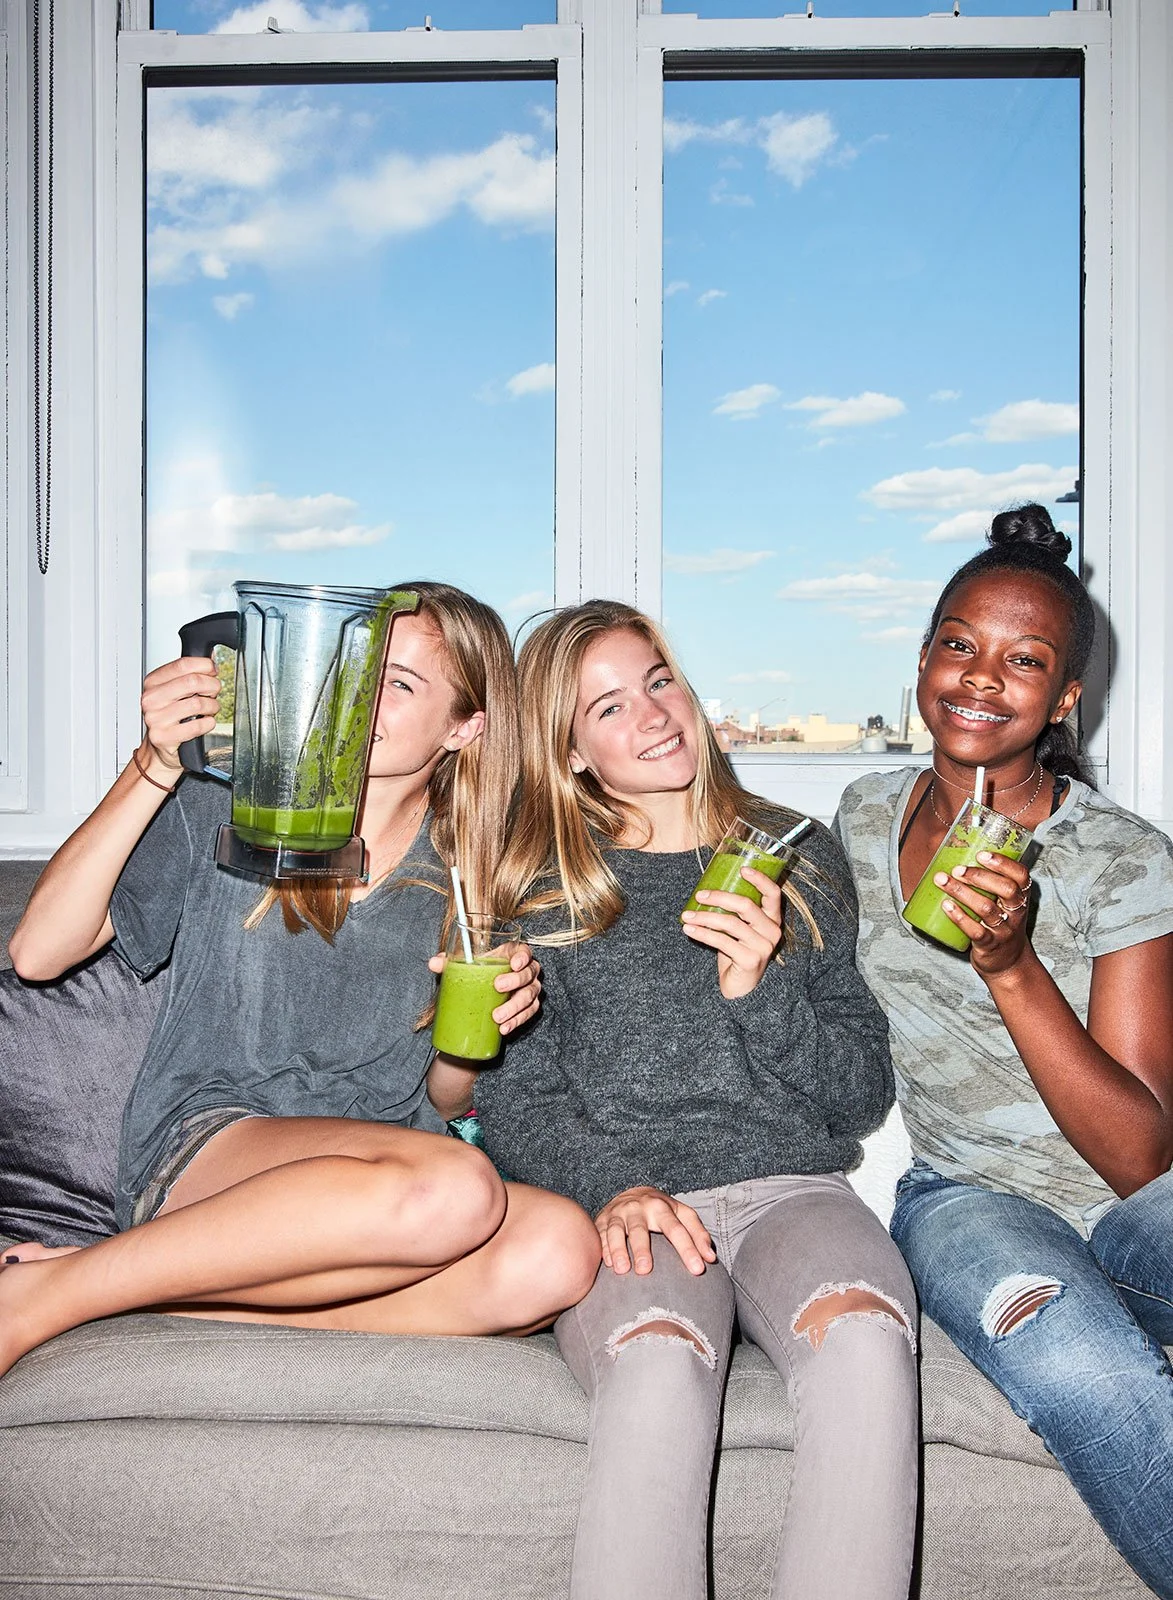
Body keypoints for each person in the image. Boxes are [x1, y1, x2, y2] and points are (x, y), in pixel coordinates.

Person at [0, 581, 599, 1381]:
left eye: (399, 684)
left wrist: (476, 1036)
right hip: (212, 1150)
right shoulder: (230, 803)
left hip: (391, 1187)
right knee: (458, 1190)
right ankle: (42, 1301)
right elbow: (39, 954)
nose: (361, 699)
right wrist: (153, 766)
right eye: (358, 672)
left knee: (558, 1251)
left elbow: (445, 1097)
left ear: (466, 727)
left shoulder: (475, 874)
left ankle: (125, 1287)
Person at [473, 600, 919, 1600]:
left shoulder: (796, 857)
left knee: (864, 1341)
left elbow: (859, 1092)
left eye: (658, 681)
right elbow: (516, 1105)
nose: (653, 715)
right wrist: (614, 1185)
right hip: (633, 1207)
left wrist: (757, 990)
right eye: (608, 707)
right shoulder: (542, 888)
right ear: (571, 752)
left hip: (794, 1192)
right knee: (658, 1365)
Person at [833, 505, 1173, 1599]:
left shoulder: (1119, 857)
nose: (981, 678)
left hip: (1129, 1202)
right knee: (1080, 1366)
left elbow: (1141, 1159)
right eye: (958, 644)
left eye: (1024, 660)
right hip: (968, 1199)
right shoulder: (861, 813)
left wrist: (1012, 965)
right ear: (923, 658)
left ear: (1065, 697)